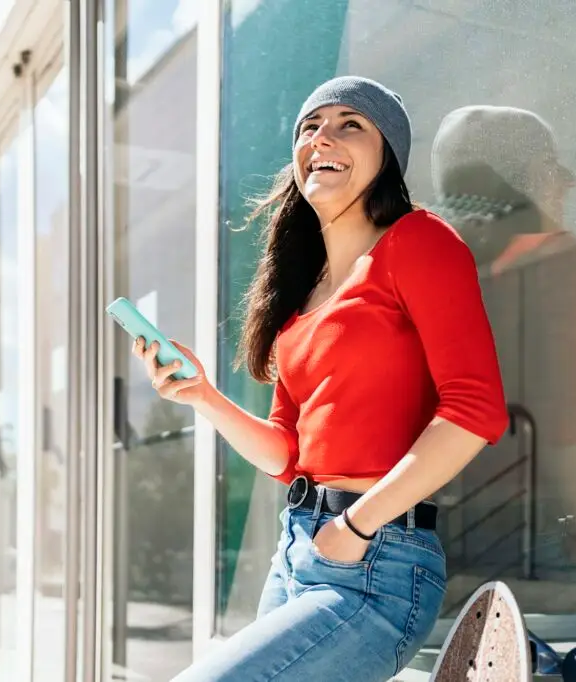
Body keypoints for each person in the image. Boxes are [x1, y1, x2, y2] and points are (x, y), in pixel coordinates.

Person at [133, 76, 509, 681]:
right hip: (297, 548)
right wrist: (201, 395)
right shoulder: (302, 298)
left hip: (376, 561)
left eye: (350, 124)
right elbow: (287, 453)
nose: (322, 136)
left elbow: (475, 411)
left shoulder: (419, 242)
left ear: (389, 155)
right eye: (310, 126)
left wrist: (358, 525)